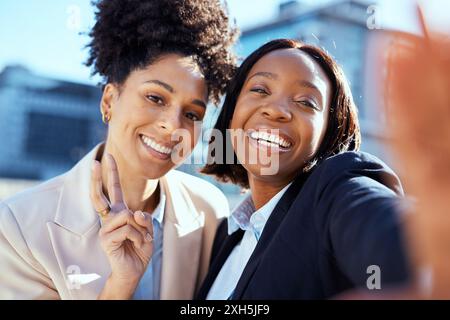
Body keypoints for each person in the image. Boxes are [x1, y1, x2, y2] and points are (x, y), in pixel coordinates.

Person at [0, 0, 237, 299]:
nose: (172, 125)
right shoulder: (18, 226)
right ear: (109, 101)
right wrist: (121, 284)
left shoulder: (208, 212)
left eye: (192, 115)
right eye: (156, 97)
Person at [197, 39, 411, 299]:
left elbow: (395, 239)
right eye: (260, 90)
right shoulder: (224, 236)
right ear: (232, 112)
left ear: (328, 133)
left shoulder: (335, 192)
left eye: (306, 102)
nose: (276, 110)